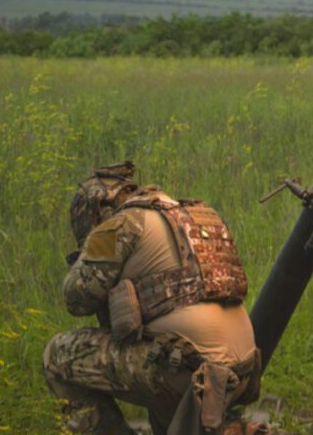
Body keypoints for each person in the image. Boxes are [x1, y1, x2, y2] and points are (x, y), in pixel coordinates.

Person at [43, 162, 263, 435]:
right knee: (153, 347)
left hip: (188, 369)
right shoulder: (191, 215)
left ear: (96, 212)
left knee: (58, 355)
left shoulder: (120, 224)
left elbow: (77, 298)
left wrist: (82, 261)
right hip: (242, 368)